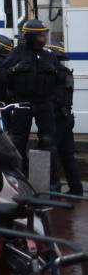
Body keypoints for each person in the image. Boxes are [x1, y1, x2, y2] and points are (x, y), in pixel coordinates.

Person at [0, 19, 62, 175]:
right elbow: (0, 75)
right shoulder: (17, 53)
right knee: (18, 140)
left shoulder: (49, 55)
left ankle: (51, 180)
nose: (44, 38)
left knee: (48, 140)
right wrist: (14, 69)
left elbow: (62, 79)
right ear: (31, 37)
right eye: (41, 35)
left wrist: (54, 71)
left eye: (45, 35)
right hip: (22, 103)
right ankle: (20, 175)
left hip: (45, 104)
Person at [48, 43, 82, 195]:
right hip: (66, 117)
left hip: (57, 118)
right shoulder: (66, 72)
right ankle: (76, 188)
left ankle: (54, 188)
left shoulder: (53, 74)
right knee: (67, 155)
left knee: (52, 153)